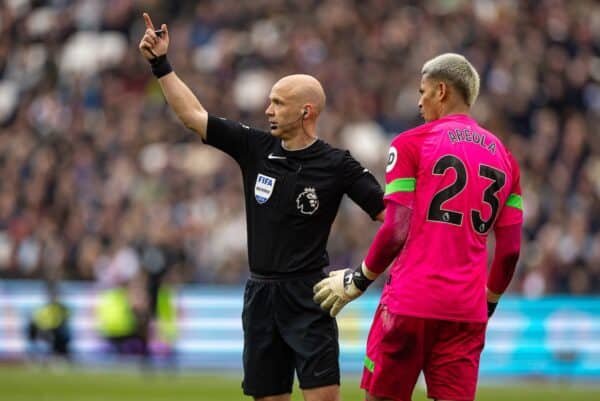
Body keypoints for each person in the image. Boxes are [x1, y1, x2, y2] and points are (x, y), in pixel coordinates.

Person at [138, 13, 385, 401]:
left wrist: (361, 274)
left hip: (310, 295)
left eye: (278, 103)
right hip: (261, 295)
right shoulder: (256, 148)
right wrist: (161, 64)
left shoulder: (339, 164)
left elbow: (390, 216)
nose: (268, 109)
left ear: (306, 112)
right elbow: (193, 117)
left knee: (324, 398)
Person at [314, 53, 523, 401]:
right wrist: (487, 304)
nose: (419, 100)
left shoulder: (411, 143)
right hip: (466, 311)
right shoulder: (506, 160)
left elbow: (397, 228)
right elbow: (510, 251)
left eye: (423, 91)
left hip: (410, 303)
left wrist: (359, 279)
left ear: (441, 91)